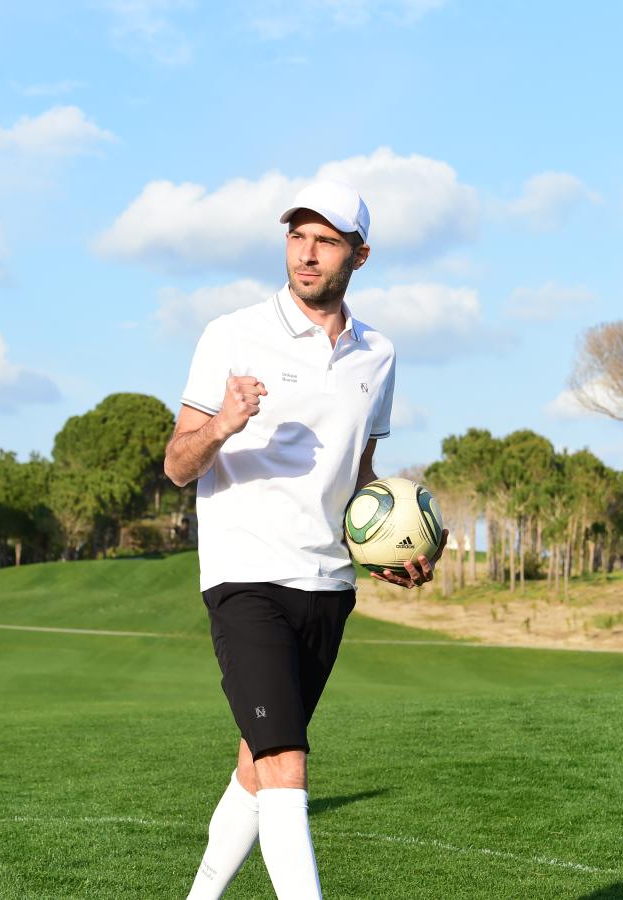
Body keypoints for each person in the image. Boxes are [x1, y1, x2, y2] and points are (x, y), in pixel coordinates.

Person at [164, 180, 444, 899]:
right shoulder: (231, 334)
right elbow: (176, 464)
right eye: (296, 236)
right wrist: (223, 422)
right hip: (246, 573)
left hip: (327, 584)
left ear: (360, 254)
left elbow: (362, 475)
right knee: (287, 760)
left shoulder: (377, 355)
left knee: (257, 767)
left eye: (324, 240)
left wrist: (384, 551)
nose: (306, 254)